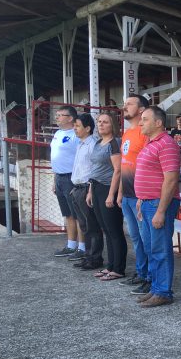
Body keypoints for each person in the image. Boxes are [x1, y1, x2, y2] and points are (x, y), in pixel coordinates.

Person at [134, 106, 181, 308]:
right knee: (150, 248)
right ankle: (155, 288)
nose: (140, 123)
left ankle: (163, 292)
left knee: (160, 249)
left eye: (145, 119)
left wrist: (161, 211)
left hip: (158, 204)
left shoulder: (167, 144)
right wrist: (141, 199)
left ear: (158, 123)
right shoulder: (150, 143)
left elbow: (171, 180)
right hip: (148, 203)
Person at [117, 94, 151, 295]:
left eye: (129, 104)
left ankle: (149, 277)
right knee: (136, 238)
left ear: (141, 109)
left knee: (146, 239)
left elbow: (147, 166)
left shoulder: (144, 133)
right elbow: (124, 165)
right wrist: (121, 192)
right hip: (128, 195)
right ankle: (141, 272)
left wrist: (141, 196)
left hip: (140, 196)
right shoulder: (127, 133)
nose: (124, 107)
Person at [87, 113, 126, 281]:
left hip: (108, 188)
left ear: (113, 125)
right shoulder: (98, 143)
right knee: (106, 230)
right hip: (96, 187)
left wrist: (111, 194)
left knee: (114, 230)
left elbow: (118, 170)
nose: (101, 124)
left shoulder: (114, 143)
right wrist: (90, 191)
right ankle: (110, 266)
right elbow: (94, 168)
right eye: (99, 122)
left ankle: (118, 268)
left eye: (105, 122)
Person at [50, 106, 85, 258]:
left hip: (71, 178)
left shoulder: (76, 134)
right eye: (56, 115)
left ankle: (82, 248)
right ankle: (71, 245)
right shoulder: (58, 133)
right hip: (59, 177)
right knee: (68, 214)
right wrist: (55, 179)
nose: (57, 117)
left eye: (60, 115)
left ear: (70, 118)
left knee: (78, 215)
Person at [69, 113, 103, 270]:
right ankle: (88, 256)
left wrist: (89, 189)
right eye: (74, 126)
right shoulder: (81, 144)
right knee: (84, 225)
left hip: (86, 188)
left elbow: (94, 170)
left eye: (78, 126)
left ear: (88, 128)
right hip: (77, 188)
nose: (75, 129)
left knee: (92, 226)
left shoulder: (93, 144)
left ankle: (95, 258)